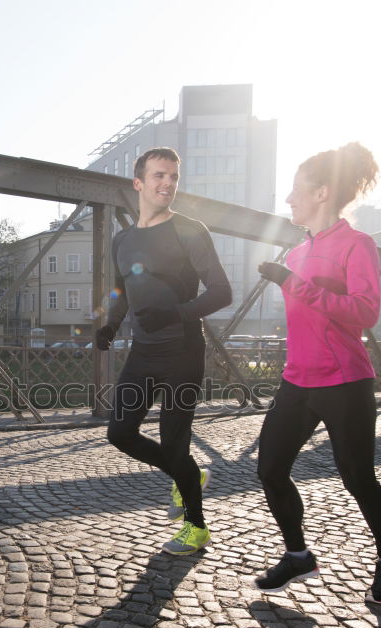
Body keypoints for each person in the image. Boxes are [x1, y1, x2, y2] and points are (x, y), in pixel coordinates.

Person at [252, 142, 381, 604]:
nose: (288, 200)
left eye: (296, 191)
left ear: (322, 193)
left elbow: (365, 312)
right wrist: (292, 279)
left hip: (344, 381)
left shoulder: (357, 245)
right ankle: (298, 555)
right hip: (297, 379)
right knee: (270, 469)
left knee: (358, 477)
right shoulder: (298, 252)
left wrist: (294, 285)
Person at [96, 147, 232, 555]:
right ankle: (186, 473)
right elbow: (125, 287)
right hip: (144, 352)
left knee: (175, 442)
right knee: (120, 433)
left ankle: (196, 527)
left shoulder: (190, 230)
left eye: (173, 176)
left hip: (182, 352)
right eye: (158, 176)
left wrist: (174, 313)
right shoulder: (123, 238)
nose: (167, 184)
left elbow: (222, 292)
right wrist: (111, 323)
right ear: (138, 183)